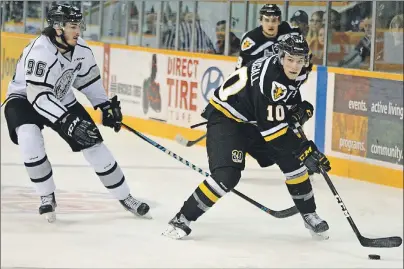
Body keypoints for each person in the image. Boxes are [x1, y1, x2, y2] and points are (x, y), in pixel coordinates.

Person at [163, 34, 331, 240]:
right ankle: (182, 218)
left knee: (293, 161)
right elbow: (276, 135)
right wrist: (306, 150)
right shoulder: (271, 81)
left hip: (253, 119)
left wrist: (296, 109)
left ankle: (309, 214)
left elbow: (282, 99)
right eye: (290, 59)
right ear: (280, 57)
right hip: (227, 119)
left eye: (300, 60)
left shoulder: (296, 71)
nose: (295, 66)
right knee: (227, 176)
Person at [3, 4, 150, 222]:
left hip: (62, 99)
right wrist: (66, 120)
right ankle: (46, 196)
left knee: (93, 143)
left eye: (78, 26)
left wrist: (104, 104)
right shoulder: (39, 53)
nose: (78, 31)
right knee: (28, 138)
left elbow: (88, 80)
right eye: (73, 26)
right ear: (57, 28)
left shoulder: (80, 49)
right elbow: (39, 98)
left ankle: (125, 197)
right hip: (24, 100)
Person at [236, 4, 302, 69]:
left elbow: (303, 39)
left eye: (274, 20)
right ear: (260, 21)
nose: (270, 24)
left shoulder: (288, 29)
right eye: (267, 20)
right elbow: (240, 70)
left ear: (279, 21)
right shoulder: (251, 40)